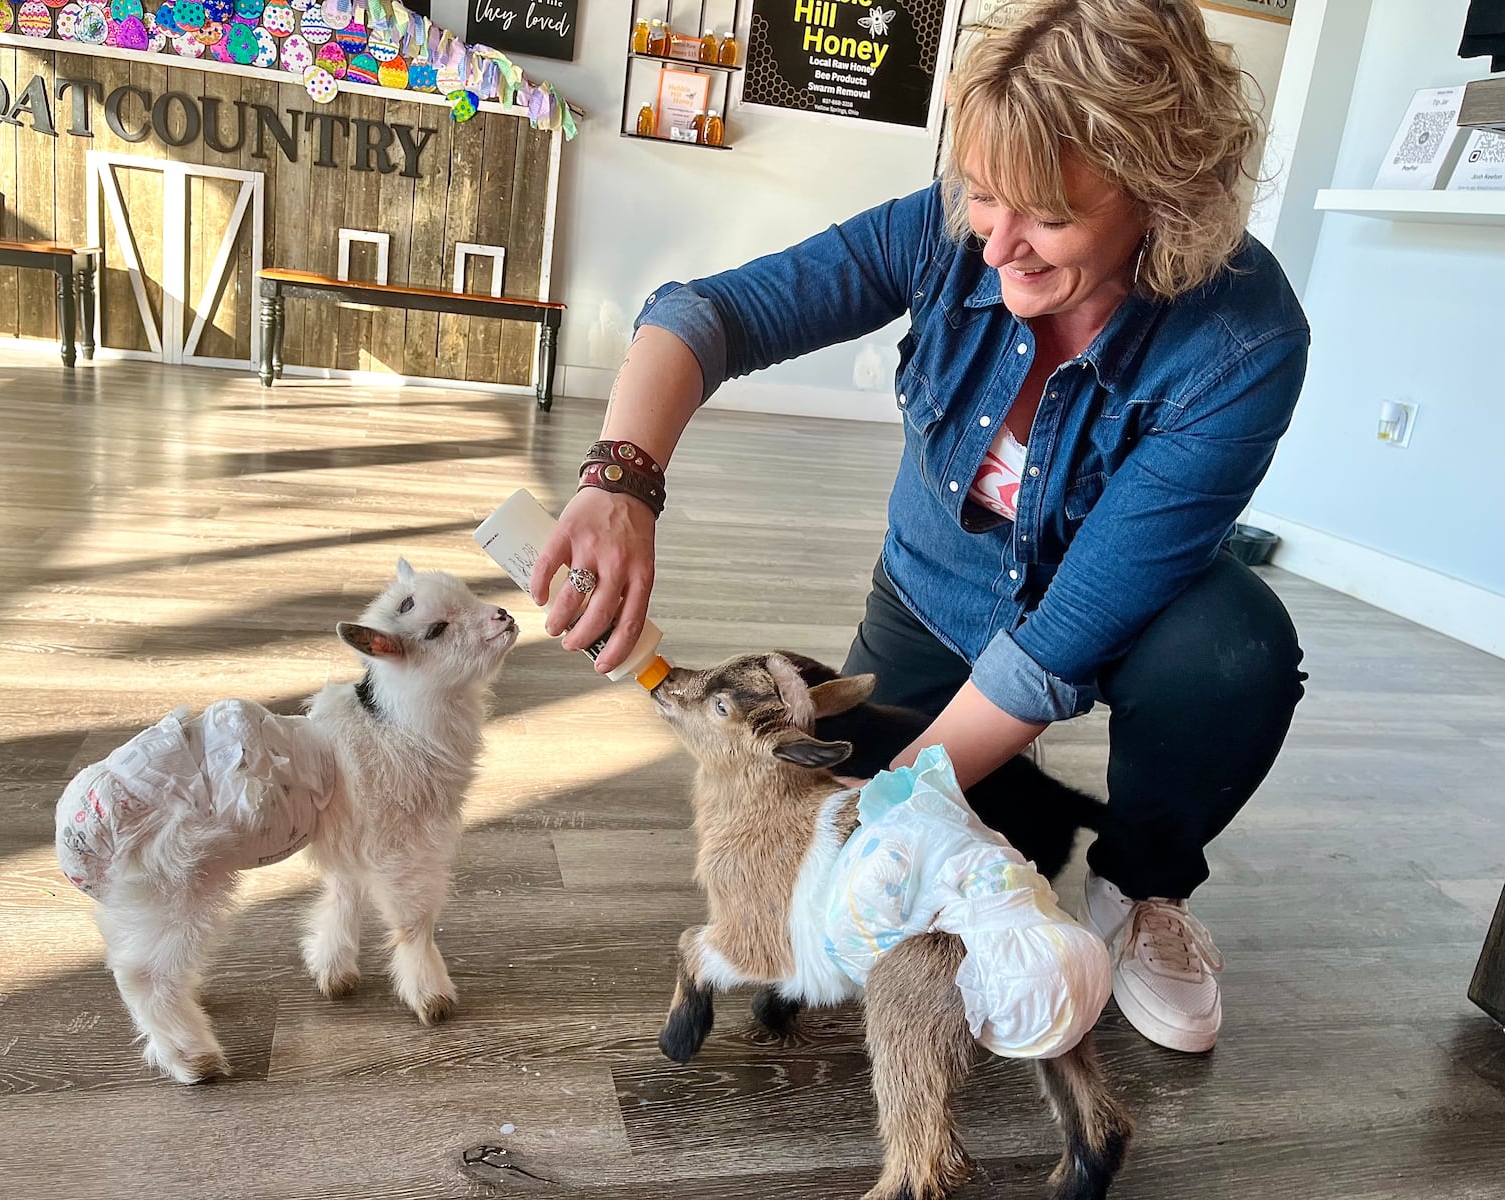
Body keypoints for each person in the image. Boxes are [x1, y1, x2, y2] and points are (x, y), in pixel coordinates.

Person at [529, 0, 1308, 1055]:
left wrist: (888, 804)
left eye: (1044, 215)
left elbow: (1064, 636)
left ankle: (1141, 889)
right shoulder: (950, 229)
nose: (996, 244)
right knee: (855, 786)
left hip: (1125, 618)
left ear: (1164, 194)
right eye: (982, 195)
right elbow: (708, 314)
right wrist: (621, 479)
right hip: (929, 602)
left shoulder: (1243, 340)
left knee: (1236, 653)